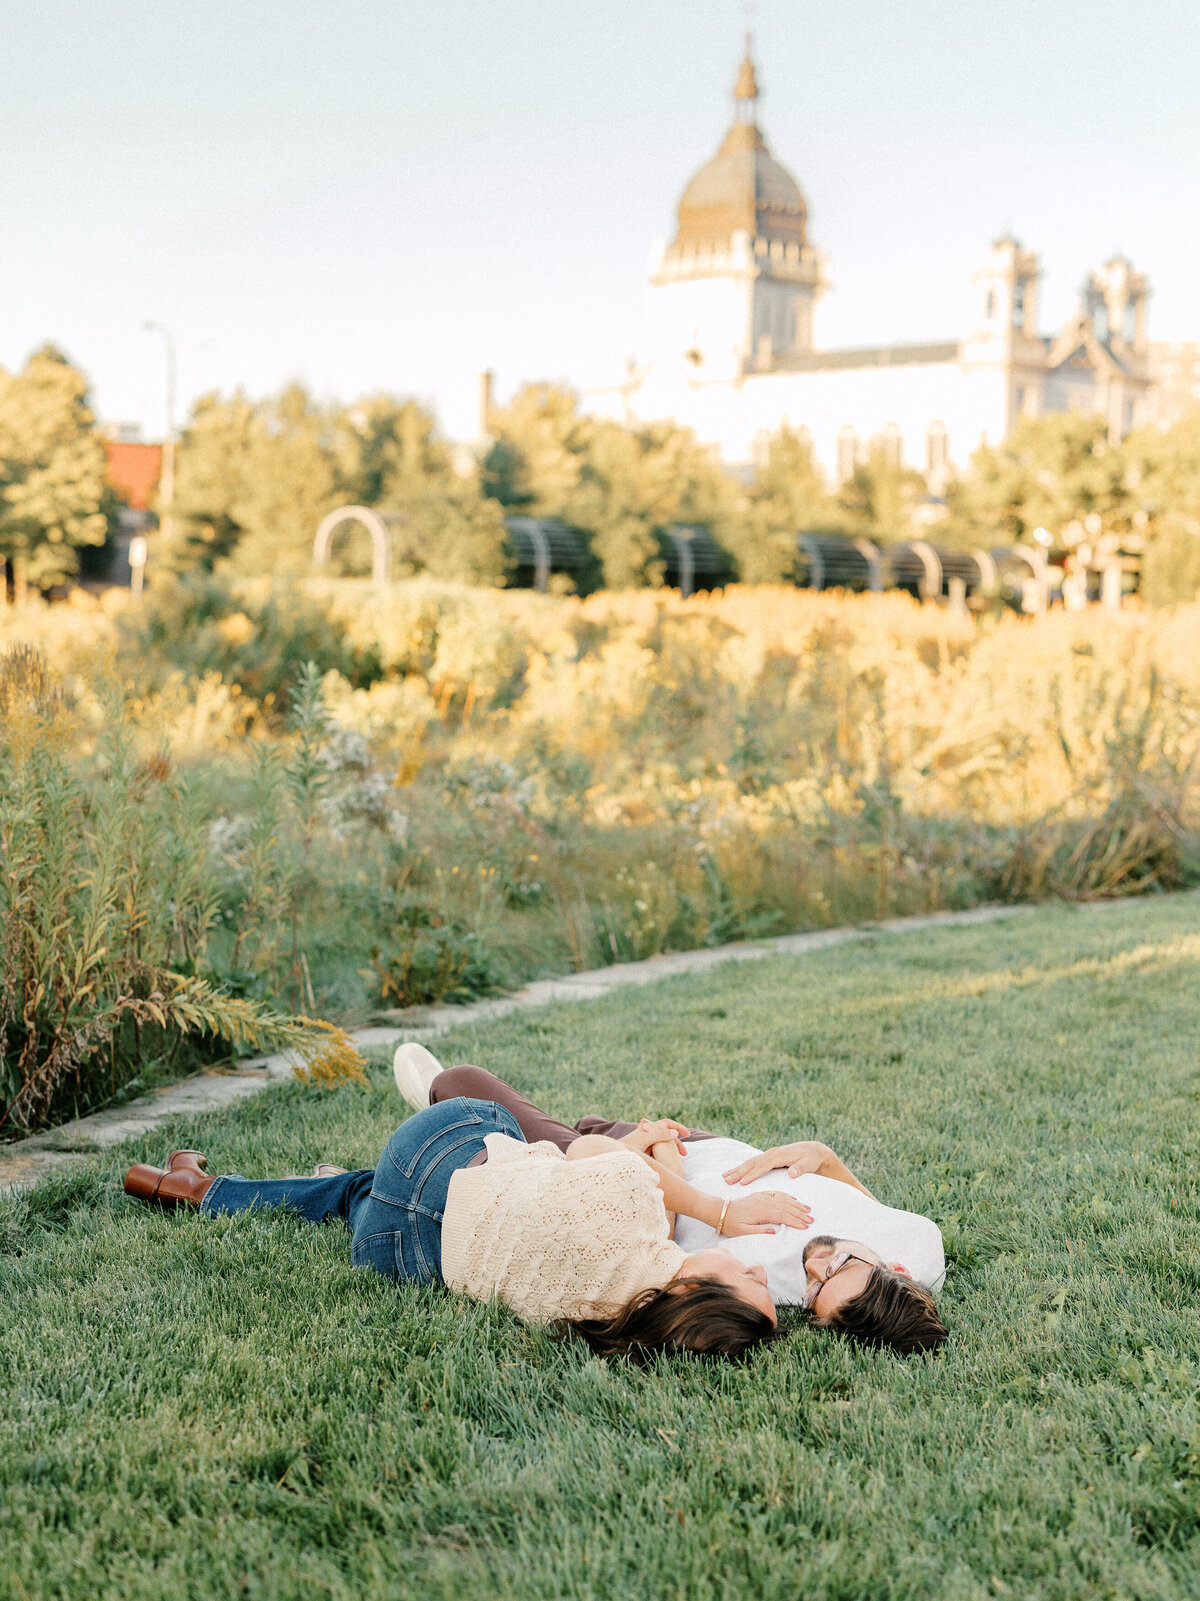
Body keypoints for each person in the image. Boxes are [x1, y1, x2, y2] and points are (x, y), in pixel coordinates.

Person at [123, 1089, 811, 1363]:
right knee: (362, 1193)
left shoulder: (630, 1209)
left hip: (434, 1150)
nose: (755, 1268)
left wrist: (653, 1150)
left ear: (694, 1292)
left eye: (743, 1278)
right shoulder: (606, 1318)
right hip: (397, 1255)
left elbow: (591, 1153)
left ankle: (206, 1185)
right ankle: (211, 1187)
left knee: (500, 1121)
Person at [392, 1044, 948, 1357]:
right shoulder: (921, 1246)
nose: (815, 1266)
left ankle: (435, 1135)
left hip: (645, 1179)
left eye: (816, 1290)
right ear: (895, 1268)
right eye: (839, 1266)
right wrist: (822, 1157)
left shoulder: (769, 1280)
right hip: (708, 1148)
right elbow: (858, 1202)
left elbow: (661, 1232)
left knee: (467, 1083)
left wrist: (664, 1163)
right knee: (588, 1125)